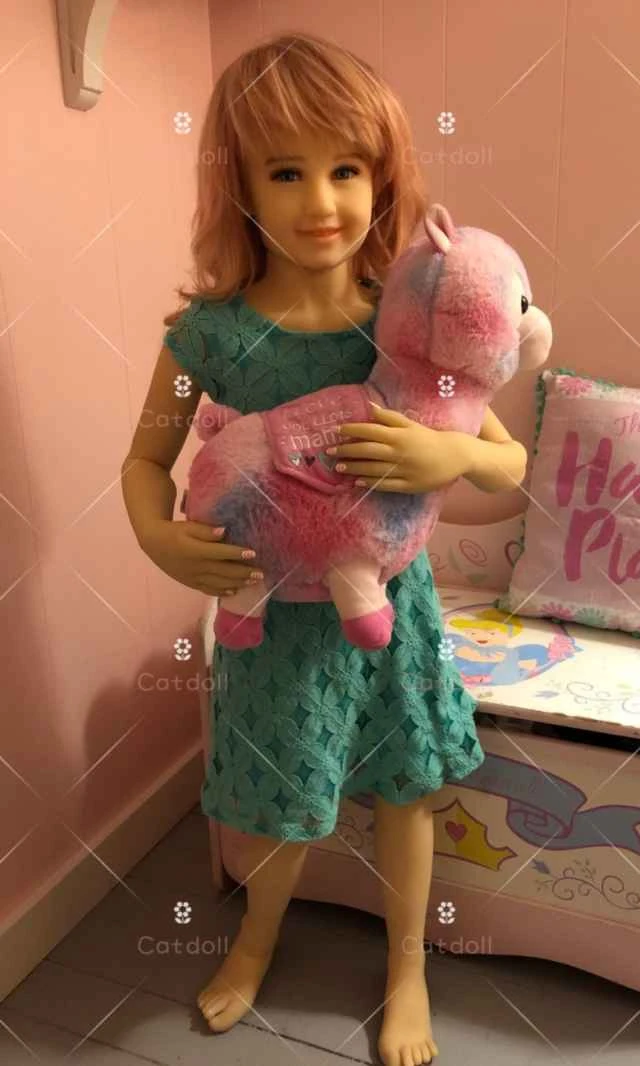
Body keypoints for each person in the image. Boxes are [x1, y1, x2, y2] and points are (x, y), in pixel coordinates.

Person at [121, 31, 528, 1066]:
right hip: (269, 617)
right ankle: (257, 937)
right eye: (286, 171)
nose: (322, 201)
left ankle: (407, 968)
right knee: (277, 798)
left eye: (346, 169)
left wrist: (446, 450)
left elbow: (507, 463)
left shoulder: (408, 323)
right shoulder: (205, 338)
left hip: (391, 610)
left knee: (405, 789)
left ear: (381, 176)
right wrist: (162, 540)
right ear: (240, 182)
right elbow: (146, 459)